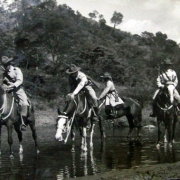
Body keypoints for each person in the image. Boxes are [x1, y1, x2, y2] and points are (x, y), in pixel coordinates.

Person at [1, 56, 29, 130]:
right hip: (6, 89)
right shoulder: (3, 72)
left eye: (5, 65)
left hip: (17, 89)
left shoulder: (16, 70)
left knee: (24, 102)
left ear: (9, 64)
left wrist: (12, 85)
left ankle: (23, 122)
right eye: (3, 65)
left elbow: (20, 81)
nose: (4, 67)